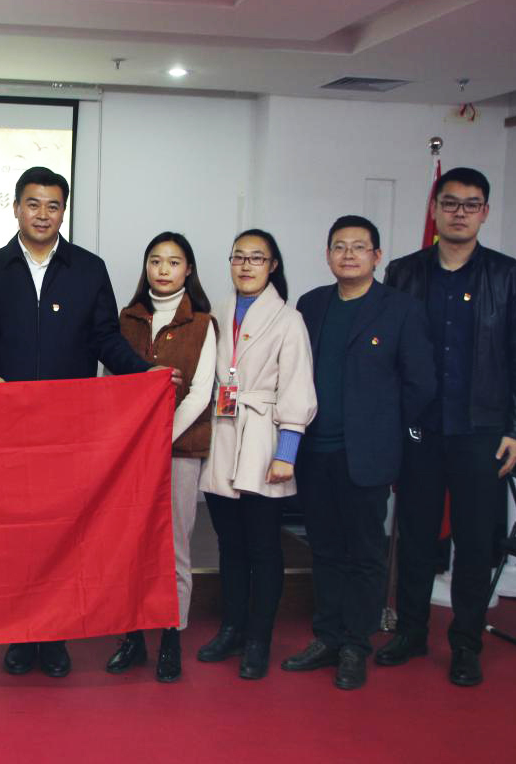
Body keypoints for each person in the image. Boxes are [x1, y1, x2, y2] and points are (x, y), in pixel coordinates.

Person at [0, 166, 178, 679]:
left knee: (63, 533)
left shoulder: (88, 268)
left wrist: (144, 375)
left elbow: (105, 339)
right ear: (15, 208)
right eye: (33, 204)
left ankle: (54, 636)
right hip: (8, 428)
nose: (43, 215)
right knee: (17, 536)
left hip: (69, 430)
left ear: (64, 211)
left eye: (53, 206)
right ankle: (21, 636)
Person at [380, 167, 516, 687]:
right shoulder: (404, 273)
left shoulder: (510, 276)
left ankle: (467, 643)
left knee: (473, 543)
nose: (459, 213)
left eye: (471, 204)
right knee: (415, 536)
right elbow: (391, 354)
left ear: (484, 212)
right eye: (450, 203)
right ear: (434, 210)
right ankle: (410, 632)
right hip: (419, 428)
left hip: (482, 430)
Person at [283, 216, 435, 690]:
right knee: (325, 550)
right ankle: (327, 637)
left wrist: (384, 429)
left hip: (367, 455)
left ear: (377, 256)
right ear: (327, 255)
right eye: (339, 247)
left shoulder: (401, 309)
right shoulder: (311, 304)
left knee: (365, 554)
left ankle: (355, 645)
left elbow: (421, 384)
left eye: (359, 247)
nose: (348, 255)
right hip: (316, 452)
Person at [197, 229, 316, 680]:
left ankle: (258, 639)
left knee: (264, 546)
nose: (246, 266)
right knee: (229, 543)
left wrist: (287, 453)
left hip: (265, 440)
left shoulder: (289, 320)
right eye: (239, 257)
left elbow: (298, 388)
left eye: (256, 258)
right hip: (223, 435)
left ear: (273, 266)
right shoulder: (217, 313)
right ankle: (231, 628)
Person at [104, 232, 216, 683]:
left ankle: (172, 637)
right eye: (155, 260)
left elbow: (200, 394)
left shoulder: (203, 323)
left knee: (174, 549)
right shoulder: (126, 319)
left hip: (177, 452)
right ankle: (132, 637)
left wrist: (158, 439)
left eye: (173, 261)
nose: (163, 269)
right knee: (128, 546)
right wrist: (128, 441)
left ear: (188, 270)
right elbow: (110, 383)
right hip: (129, 455)